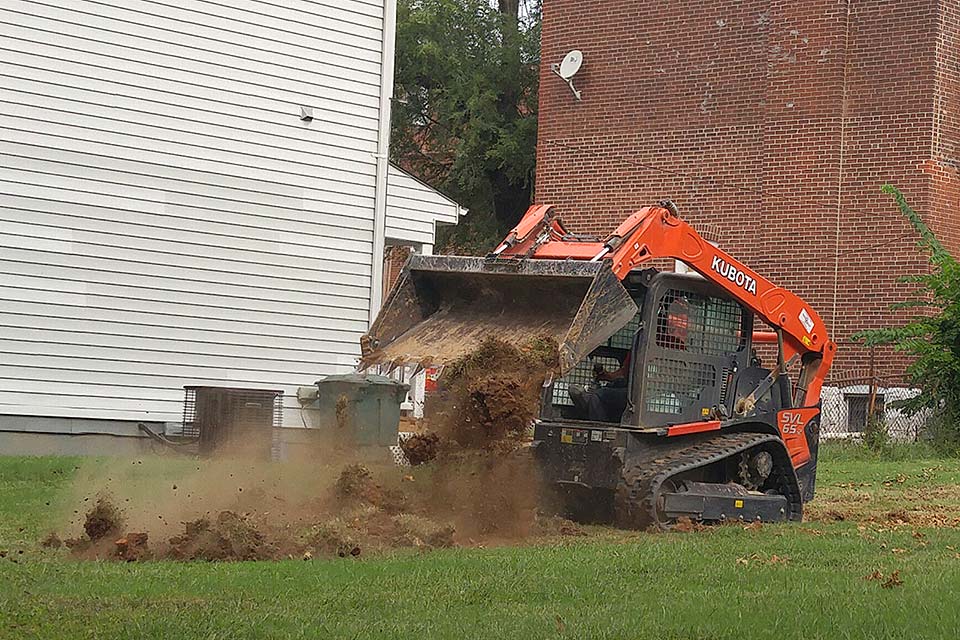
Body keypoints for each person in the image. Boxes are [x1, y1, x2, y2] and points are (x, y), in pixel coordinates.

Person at [568, 352, 631, 423]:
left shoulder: (637, 351)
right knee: (575, 391)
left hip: (633, 395)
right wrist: (608, 376)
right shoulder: (634, 351)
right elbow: (623, 372)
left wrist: (610, 377)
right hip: (625, 387)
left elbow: (623, 373)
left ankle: (600, 424)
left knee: (599, 394)